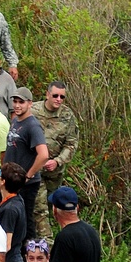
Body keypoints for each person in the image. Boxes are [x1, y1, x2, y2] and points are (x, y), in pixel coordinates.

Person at [32, 83, 80, 241]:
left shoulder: (67, 116)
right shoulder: (33, 111)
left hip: (55, 171)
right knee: (39, 208)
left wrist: (58, 161)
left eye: (62, 97)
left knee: (53, 204)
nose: (59, 99)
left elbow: (71, 143)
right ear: (47, 94)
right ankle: (48, 242)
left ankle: (61, 234)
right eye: (55, 96)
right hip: (35, 168)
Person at [4, 88, 49, 241]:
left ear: (30, 104)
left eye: (21, 102)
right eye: (15, 101)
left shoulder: (32, 126)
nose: (17, 105)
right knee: (12, 217)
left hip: (25, 183)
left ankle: (30, 256)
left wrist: (28, 176)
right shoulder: (16, 120)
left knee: (25, 219)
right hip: (11, 180)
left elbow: (43, 155)